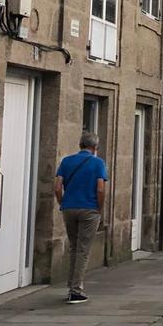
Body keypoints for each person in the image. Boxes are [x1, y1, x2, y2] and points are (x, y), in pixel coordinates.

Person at [53, 130, 107, 305]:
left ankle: (72, 285)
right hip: (89, 209)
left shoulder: (67, 161)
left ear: (80, 145)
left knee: (74, 247)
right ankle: (76, 291)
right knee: (83, 250)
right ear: (95, 147)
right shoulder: (98, 163)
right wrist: (98, 208)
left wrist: (63, 203)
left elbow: (57, 187)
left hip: (69, 208)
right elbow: (100, 189)